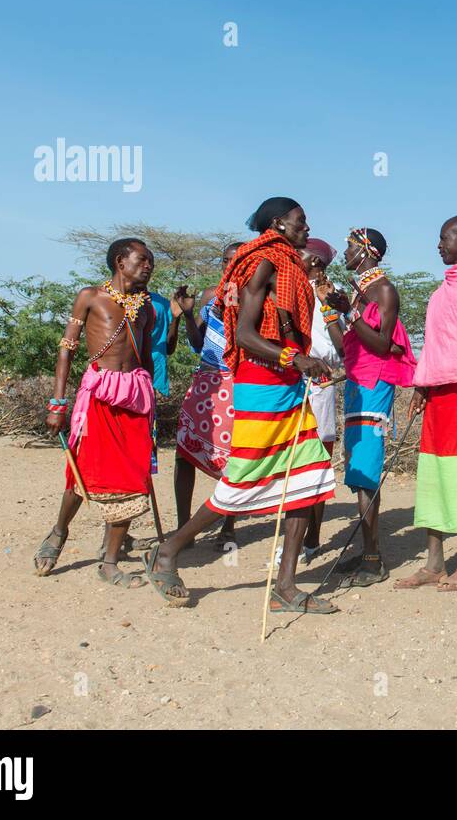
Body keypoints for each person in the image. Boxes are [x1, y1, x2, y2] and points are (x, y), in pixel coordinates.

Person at [142, 198, 338, 613]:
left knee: (308, 479)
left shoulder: (288, 264)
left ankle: (284, 586)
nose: (307, 227)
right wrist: (295, 358)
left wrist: (302, 363)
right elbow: (246, 335)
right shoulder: (265, 263)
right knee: (242, 481)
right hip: (261, 385)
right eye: (301, 221)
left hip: (285, 383)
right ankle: (168, 551)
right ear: (278, 223)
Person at [32, 238, 157, 588]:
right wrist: (58, 403)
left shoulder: (147, 307)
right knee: (82, 471)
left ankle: (109, 561)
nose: (149, 266)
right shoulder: (90, 297)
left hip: (135, 397)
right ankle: (58, 533)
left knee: (133, 478)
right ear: (121, 262)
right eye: (142, 260)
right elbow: (66, 351)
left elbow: (145, 358)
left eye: (150, 262)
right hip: (99, 395)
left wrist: (151, 404)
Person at [393, 215, 457, 592]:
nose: (438, 245)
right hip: (436, 391)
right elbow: (436, 346)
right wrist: (422, 385)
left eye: (443, 238)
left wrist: (438, 377)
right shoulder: (445, 287)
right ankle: (434, 562)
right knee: (432, 472)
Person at [332, 227, 417, 587]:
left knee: (367, 467)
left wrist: (348, 314)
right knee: (357, 467)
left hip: (375, 385)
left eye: (350, 247)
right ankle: (368, 552)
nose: (345, 253)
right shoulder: (360, 292)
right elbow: (344, 347)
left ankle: (372, 560)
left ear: (367, 251)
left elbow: (382, 345)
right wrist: (330, 311)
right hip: (357, 382)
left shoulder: (383, 291)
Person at [268, 236, 351, 568]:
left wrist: (328, 306)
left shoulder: (332, 295)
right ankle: (296, 541)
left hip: (318, 382)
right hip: (289, 380)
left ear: (314, 261)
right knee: (289, 465)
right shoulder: (287, 287)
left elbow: (342, 347)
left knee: (314, 464)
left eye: (298, 255)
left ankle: (311, 540)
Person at [173, 241, 241, 547]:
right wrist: (188, 315)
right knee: (184, 452)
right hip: (206, 381)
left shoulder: (256, 297)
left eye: (238, 261)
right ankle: (183, 525)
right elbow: (198, 343)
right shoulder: (210, 295)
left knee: (234, 458)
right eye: (227, 261)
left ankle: (229, 524)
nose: (231, 266)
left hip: (238, 382)